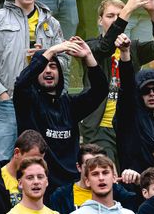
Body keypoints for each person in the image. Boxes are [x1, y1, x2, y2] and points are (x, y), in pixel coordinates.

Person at [0, 0, 66, 166]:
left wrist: (45, 59)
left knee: (42, 161)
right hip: (10, 100)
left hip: (43, 102)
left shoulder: (52, 23)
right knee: (1, 159)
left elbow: (64, 62)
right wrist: (1, 93)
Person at [78, 0, 154, 159]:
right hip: (100, 128)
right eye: (110, 16)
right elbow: (106, 47)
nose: (115, 20)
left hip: (128, 125)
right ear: (100, 20)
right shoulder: (90, 46)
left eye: (119, 15)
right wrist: (128, 10)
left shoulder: (132, 47)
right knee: (108, 171)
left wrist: (152, 11)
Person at [13, 37, 107, 186]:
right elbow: (21, 84)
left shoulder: (70, 104)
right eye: (44, 67)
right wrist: (51, 51)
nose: (48, 70)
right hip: (40, 183)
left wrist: (88, 56)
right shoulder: (28, 102)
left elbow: (100, 90)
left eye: (53, 66)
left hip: (70, 185)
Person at [115, 50, 154, 175]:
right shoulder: (129, 118)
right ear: (138, 94)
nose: (152, 93)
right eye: (146, 90)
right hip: (136, 185)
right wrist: (125, 54)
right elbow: (127, 88)